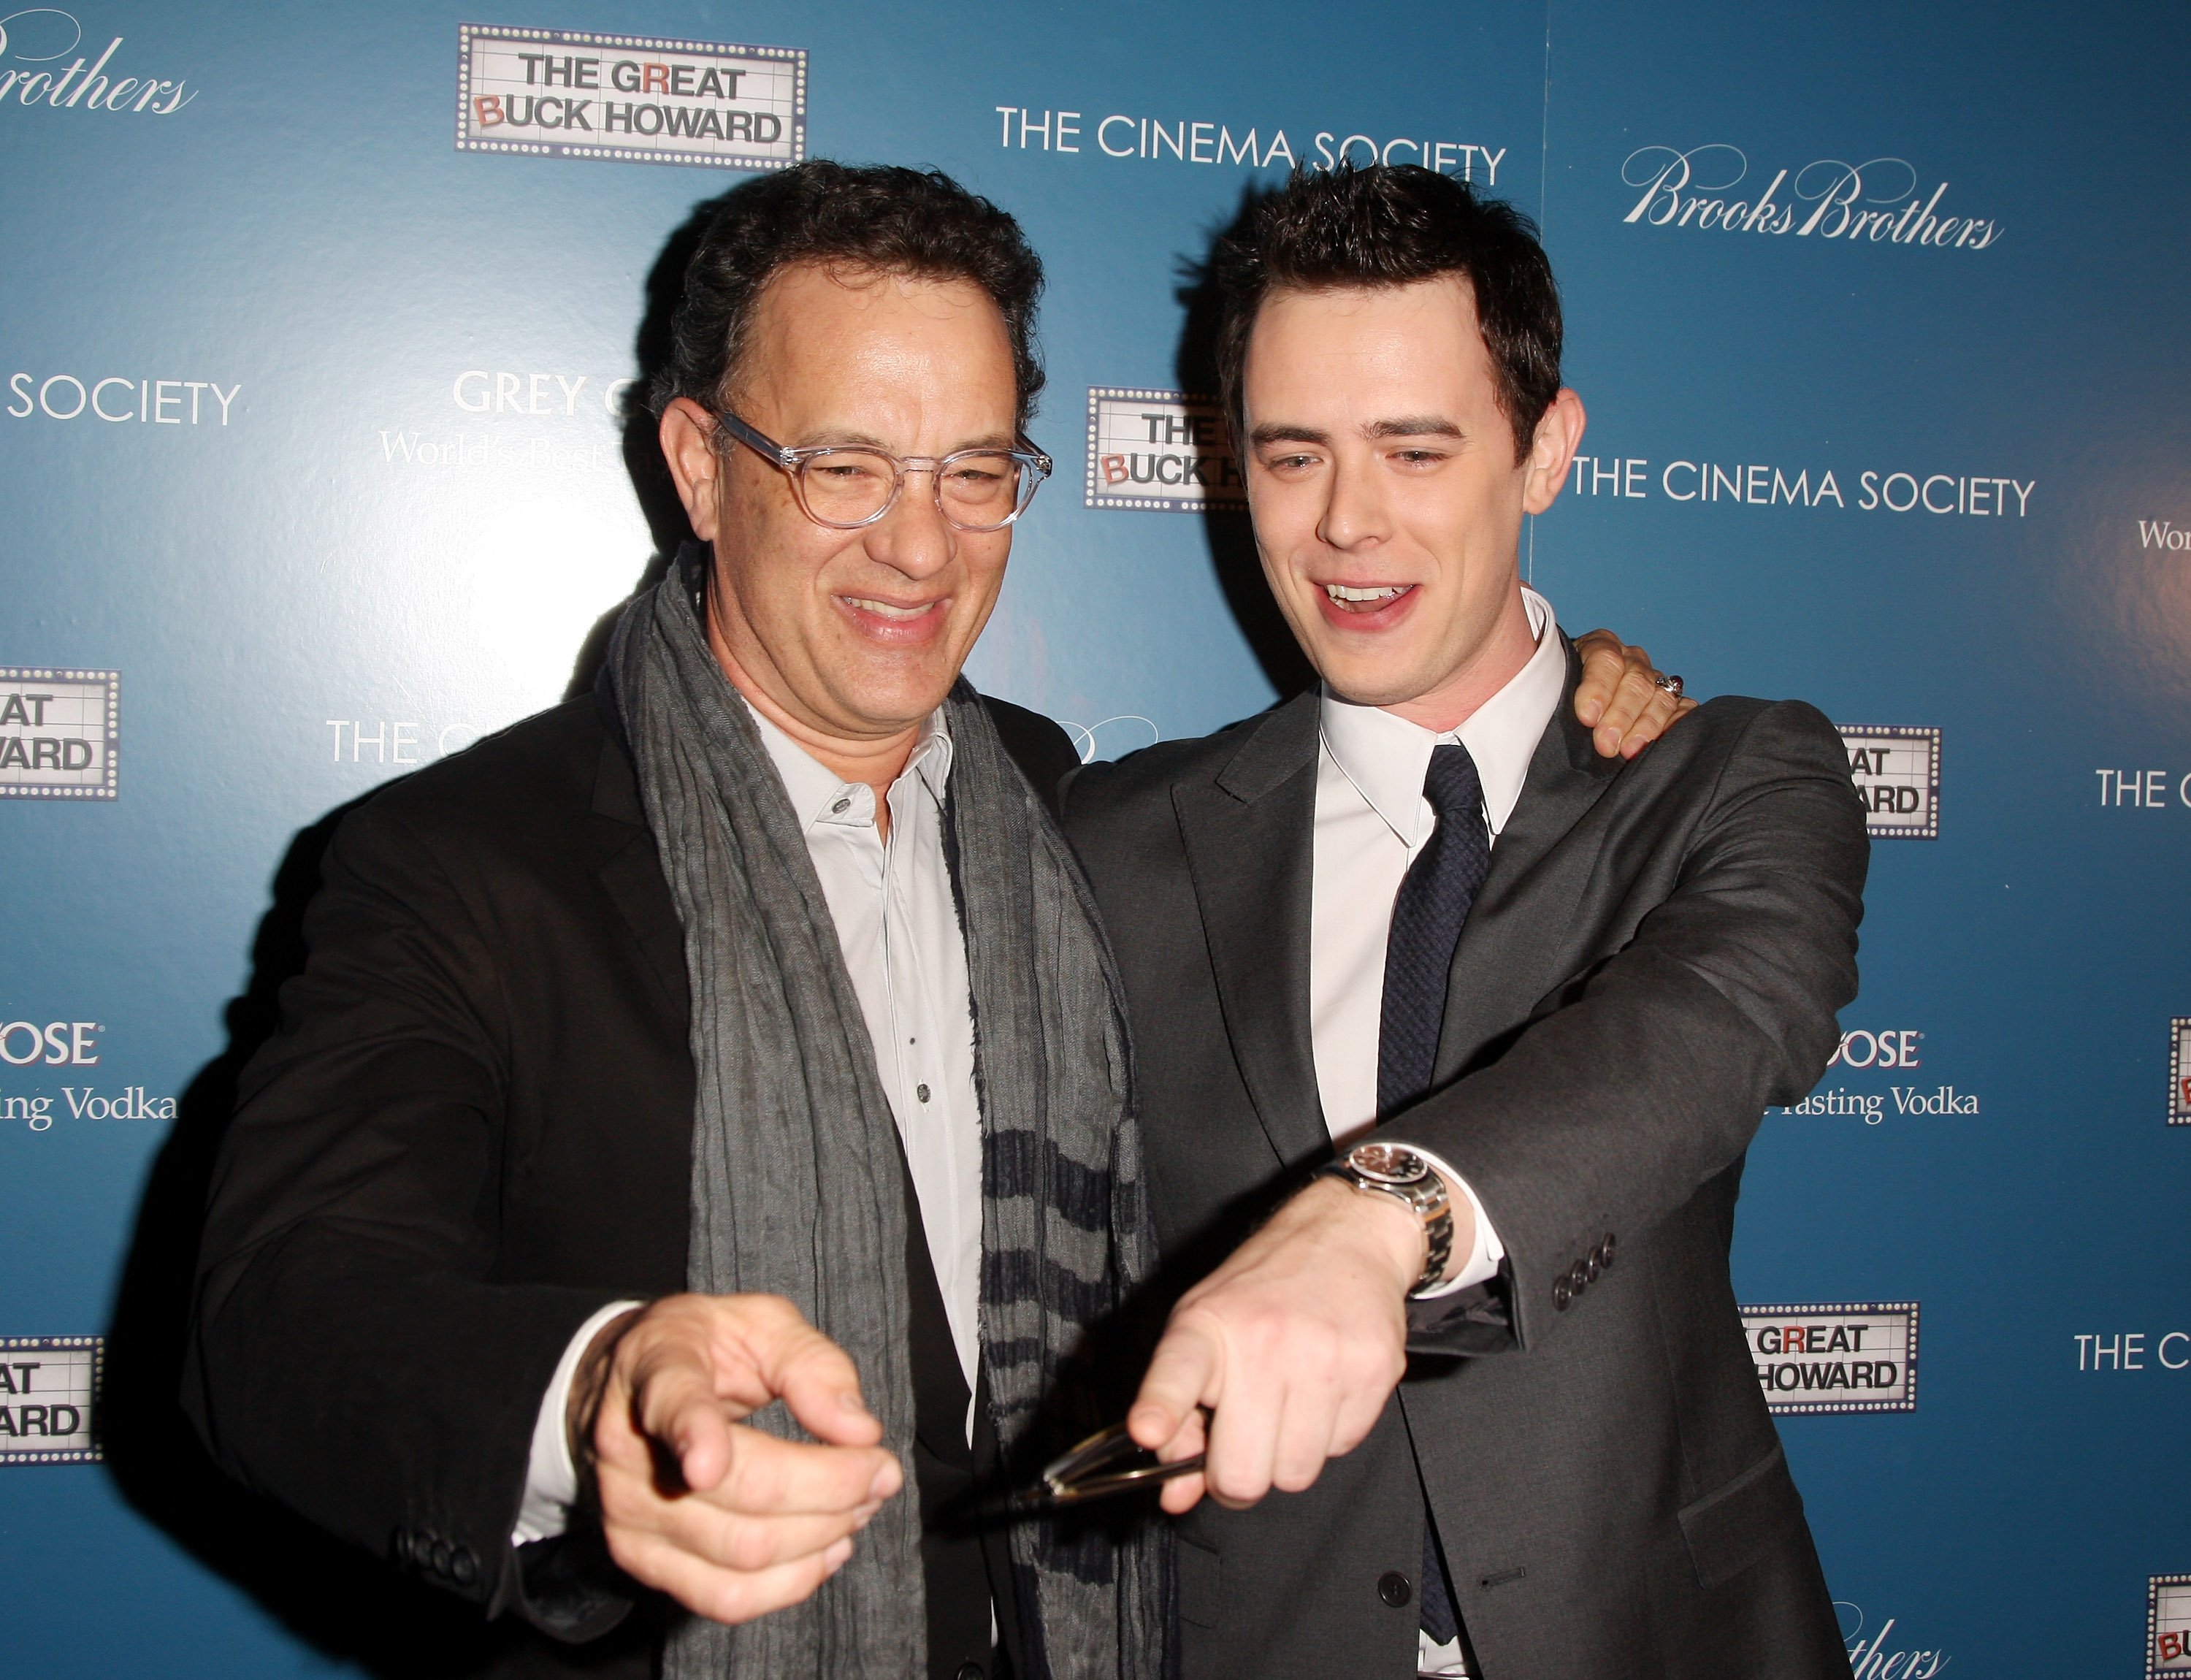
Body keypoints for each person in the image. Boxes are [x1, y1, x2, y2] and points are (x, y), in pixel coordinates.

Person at [184, 161, 1683, 1680]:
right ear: (699, 463)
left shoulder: (1059, 809)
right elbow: (279, 1317)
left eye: (973, 472)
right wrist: (593, 1394)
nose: (920, 545)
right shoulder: (463, 864)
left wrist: (1573, 694)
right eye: (845, 467)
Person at [1061, 164, 1869, 1680]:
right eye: (1293, 456)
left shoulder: (1722, 776)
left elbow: (1713, 1019)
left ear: (1546, 451)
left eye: (1415, 450)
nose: (1347, 526)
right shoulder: (1116, 836)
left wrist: (1386, 1221)